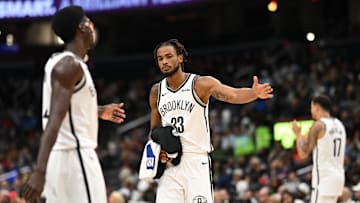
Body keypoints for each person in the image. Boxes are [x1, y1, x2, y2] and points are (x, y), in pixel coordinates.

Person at [21, 5, 126, 203]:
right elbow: (54, 120)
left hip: (62, 158)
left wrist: (99, 111)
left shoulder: (59, 62)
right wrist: (39, 170)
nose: (93, 29)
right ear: (82, 27)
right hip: (75, 157)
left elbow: (65, 110)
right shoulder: (69, 66)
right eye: (91, 24)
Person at [148, 39, 273, 203]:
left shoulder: (200, 84)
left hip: (196, 161)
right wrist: (156, 152)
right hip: (170, 165)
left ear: (180, 58)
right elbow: (154, 131)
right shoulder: (156, 91)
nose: (164, 61)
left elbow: (232, 95)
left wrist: (253, 93)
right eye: (160, 58)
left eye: (168, 56)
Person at [291, 94, 346, 203]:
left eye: (311, 107)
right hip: (338, 177)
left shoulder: (319, 125)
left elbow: (303, 154)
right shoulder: (340, 125)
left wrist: (297, 134)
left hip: (324, 179)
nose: (311, 111)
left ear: (317, 107)